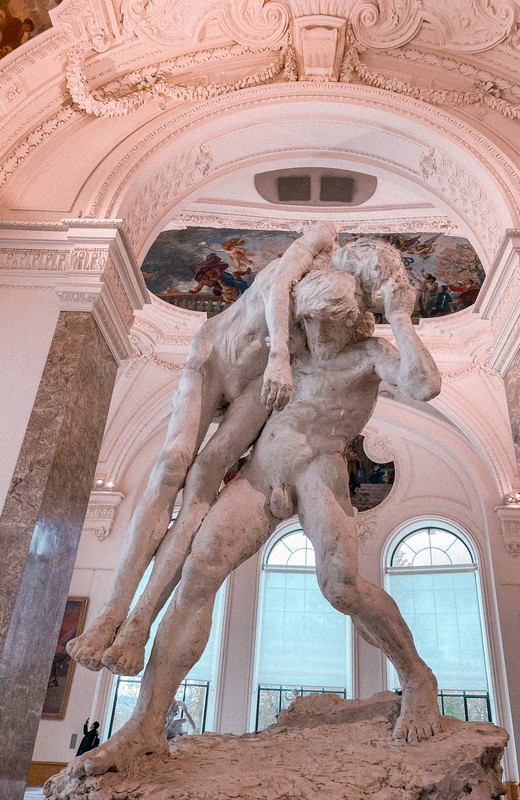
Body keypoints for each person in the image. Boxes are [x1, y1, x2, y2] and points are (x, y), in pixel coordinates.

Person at [68, 243, 442, 778]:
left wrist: (402, 316)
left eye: (327, 326)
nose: (316, 336)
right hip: (262, 474)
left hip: (319, 471)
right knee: (198, 572)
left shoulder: (370, 355)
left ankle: (418, 678)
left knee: (340, 585)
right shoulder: (294, 349)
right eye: (308, 323)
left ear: (354, 319)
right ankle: (146, 724)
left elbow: (425, 384)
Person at [67, 223, 337, 677]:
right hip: (215, 354)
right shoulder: (303, 254)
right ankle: (110, 613)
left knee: (202, 488)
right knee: (172, 464)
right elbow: (283, 284)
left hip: (257, 388)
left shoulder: (338, 297)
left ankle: (138, 624)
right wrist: (280, 358)